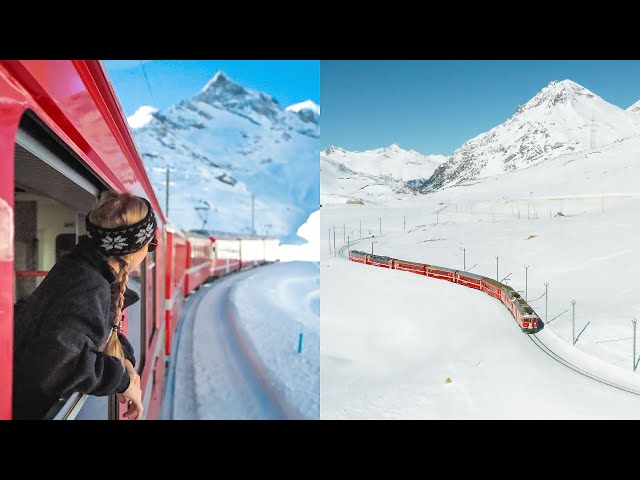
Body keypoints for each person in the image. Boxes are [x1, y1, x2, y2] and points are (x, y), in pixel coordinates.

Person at [12, 191, 158, 420]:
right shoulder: (90, 286)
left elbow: (99, 332)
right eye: (151, 244)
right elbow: (59, 362)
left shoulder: (81, 270)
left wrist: (125, 366)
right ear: (132, 250)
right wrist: (120, 381)